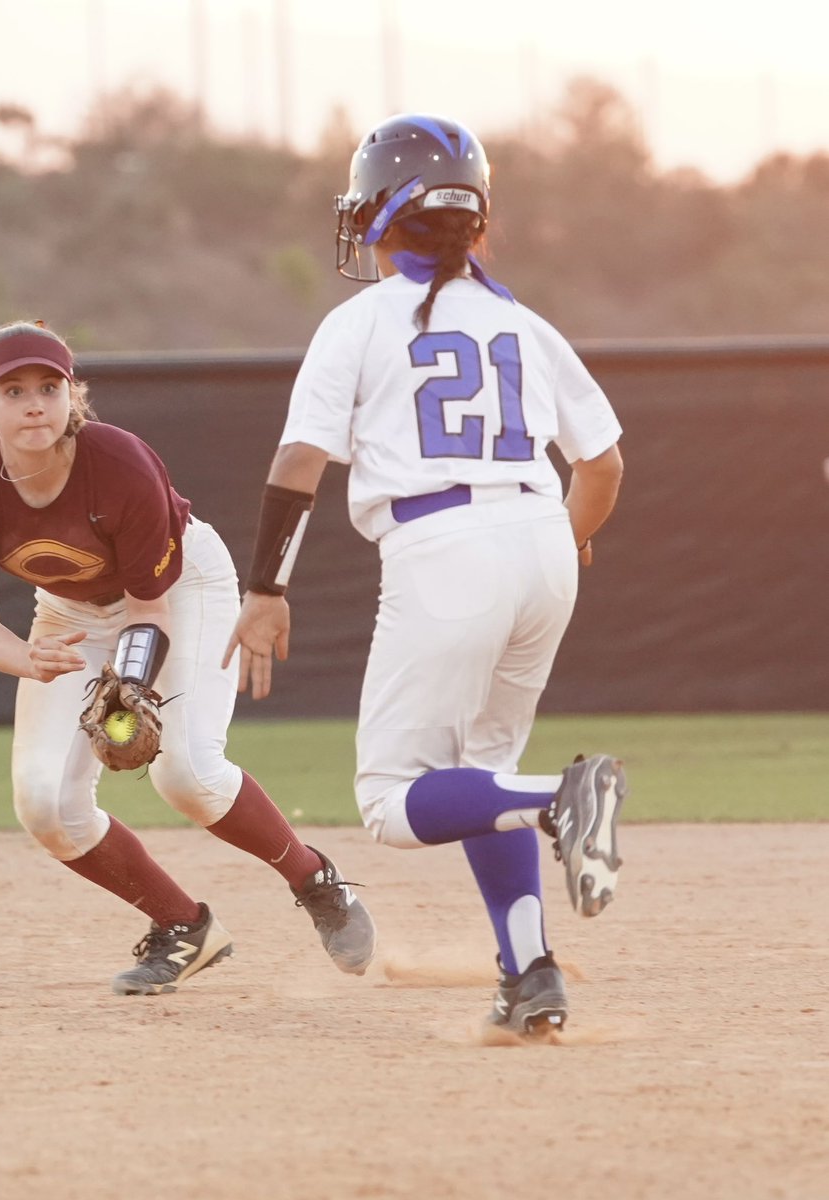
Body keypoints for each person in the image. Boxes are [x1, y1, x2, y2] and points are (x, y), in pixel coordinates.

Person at [224, 114, 628, 1037]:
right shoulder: (524, 323)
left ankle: (562, 799)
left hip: (442, 547)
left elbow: (298, 462)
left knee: (391, 803)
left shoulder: (359, 321)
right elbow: (603, 466)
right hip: (541, 536)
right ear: (474, 219)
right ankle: (529, 975)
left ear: (374, 213)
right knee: (480, 775)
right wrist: (557, 538)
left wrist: (265, 589)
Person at [0, 319, 376, 996]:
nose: (33, 404)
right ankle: (183, 926)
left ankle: (314, 880)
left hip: (180, 589)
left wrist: (129, 687)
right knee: (45, 805)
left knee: (187, 775)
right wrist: (27, 659)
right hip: (70, 612)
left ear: (73, 396)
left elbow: (148, 609)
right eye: (12, 390)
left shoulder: (118, 464)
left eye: (49, 388)